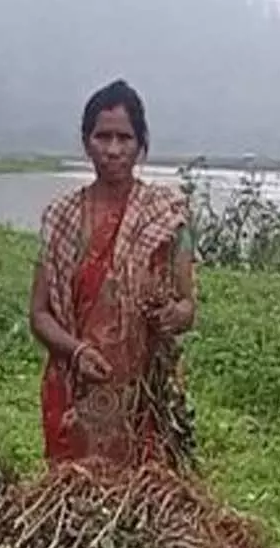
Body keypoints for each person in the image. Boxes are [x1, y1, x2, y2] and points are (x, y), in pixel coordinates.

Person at [28, 80, 198, 469]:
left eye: (125, 137)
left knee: (140, 502)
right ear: (86, 141)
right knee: (74, 498)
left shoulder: (166, 215)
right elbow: (38, 314)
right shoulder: (62, 217)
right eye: (103, 136)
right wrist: (78, 351)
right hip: (73, 385)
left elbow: (189, 308)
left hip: (142, 391)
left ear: (141, 144)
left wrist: (174, 314)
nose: (113, 149)